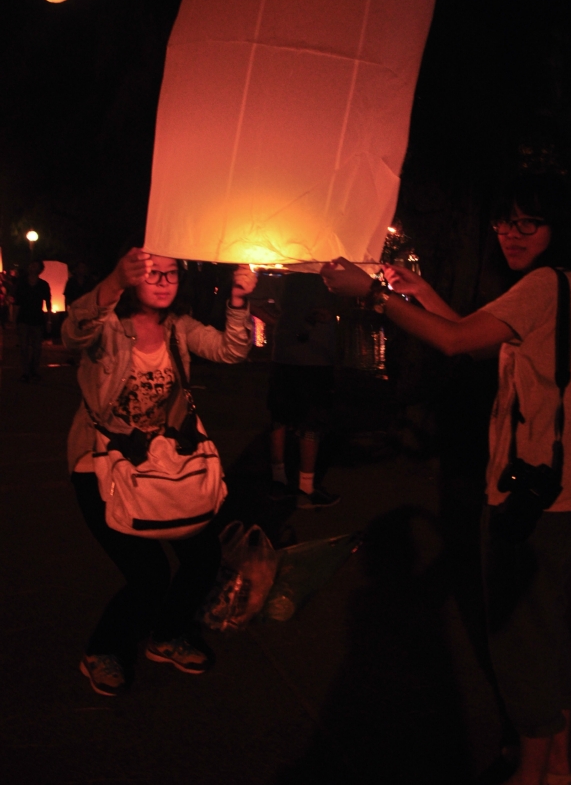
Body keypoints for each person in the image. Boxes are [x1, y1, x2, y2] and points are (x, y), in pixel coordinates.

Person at [321, 173, 571, 785]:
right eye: (504, 222)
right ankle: (557, 765)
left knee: (518, 642)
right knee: (544, 633)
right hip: (564, 492)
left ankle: (533, 772)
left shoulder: (541, 286)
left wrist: (372, 295)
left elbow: (452, 343)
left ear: (556, 227)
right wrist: (421, 291)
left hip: (526, 496)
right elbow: (478, 342)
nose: (510, 234)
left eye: (527, 222)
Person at [63, 247, 256, 697]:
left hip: (163, 462)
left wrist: (239, 299)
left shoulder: (178, 328)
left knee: (203, 558)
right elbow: (73, 331)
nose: (164, 282)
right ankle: (101, 650)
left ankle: (166, 636)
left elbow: (231, 350)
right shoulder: (109, 327)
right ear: (132, 277)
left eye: (171, 274)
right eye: (152, 274)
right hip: (100, 462)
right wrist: (113, 280)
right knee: (148, 575)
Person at [266, 272, 339, 508]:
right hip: (316, 356)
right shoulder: (328, 272)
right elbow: (339, 306)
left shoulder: (282, 267)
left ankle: (279, 482)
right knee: (311, 420)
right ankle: (305, 487)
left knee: (280, 417)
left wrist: (282, 324)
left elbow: (258, 301)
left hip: (285, 353)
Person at [15, 259, 52, 382]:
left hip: (37, 318)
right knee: (23, 347)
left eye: (35, 265)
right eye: (31, 265)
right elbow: (17, 302)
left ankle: (34, 370)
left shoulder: (43, 284)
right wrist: (15, 319)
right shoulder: (22, 283)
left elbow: (48, 302)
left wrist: (49, 320)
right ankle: (25, 372)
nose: (32, 267)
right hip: (23, 317)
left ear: (40, 270)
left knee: (37, 347)